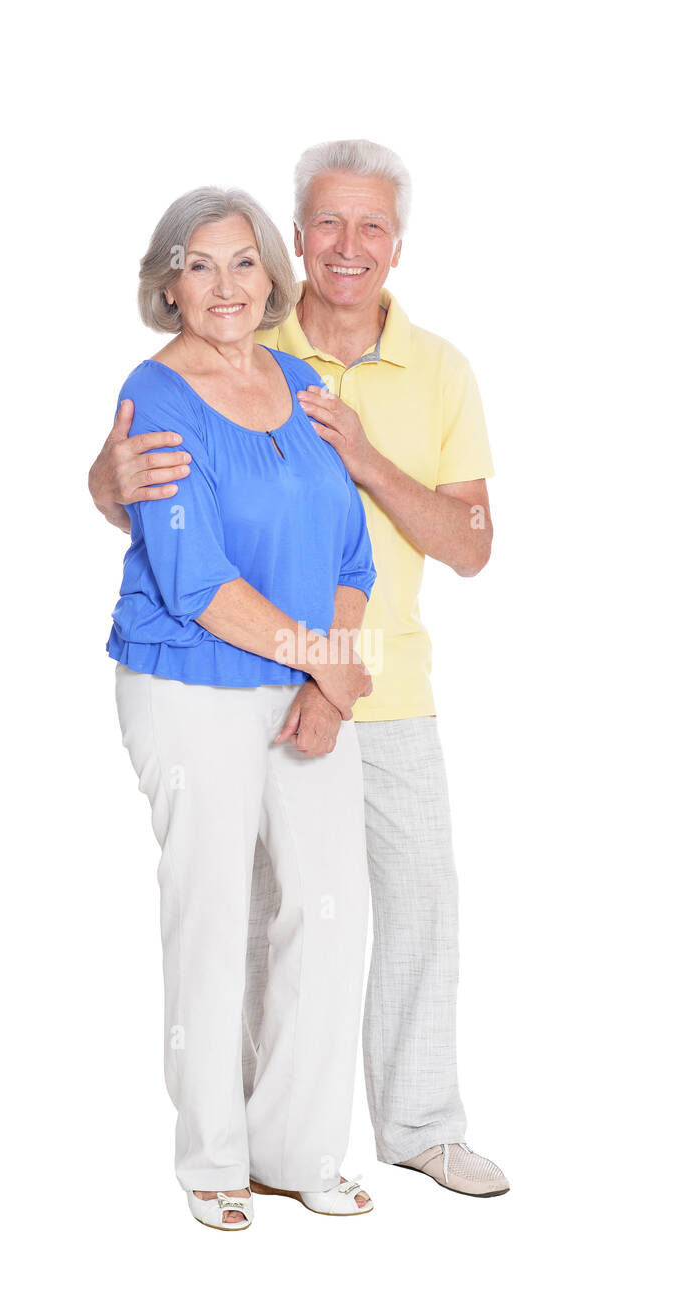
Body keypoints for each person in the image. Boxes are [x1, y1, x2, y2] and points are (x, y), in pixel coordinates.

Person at [91, 140, 509, 1199]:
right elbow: (165, 537)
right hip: (242, 673)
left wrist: (336, 661)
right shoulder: (213, 358)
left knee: (372, 910)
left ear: (398, 246)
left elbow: (441, 546)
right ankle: (229, 1155)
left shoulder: (406, 374)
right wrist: (105, 472)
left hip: (374, 677)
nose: (347, 245)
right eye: (327, 222)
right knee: (236, 917)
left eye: (371, 226)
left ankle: (372, 1135)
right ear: (296, 238)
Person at [107, 185, 377, 1230]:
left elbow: (350, 550)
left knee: (327, 908)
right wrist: (325, 664)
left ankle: (298, 1148)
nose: (224, 285)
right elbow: (195, 580)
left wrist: (327, 682)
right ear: (167, 284)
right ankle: (212, 1155)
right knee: (214, 911)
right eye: (198, 264)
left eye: (242, 262)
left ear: (271, 276)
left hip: (306, 678)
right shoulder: (153, 396)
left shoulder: (305, 383)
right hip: (187, 682)